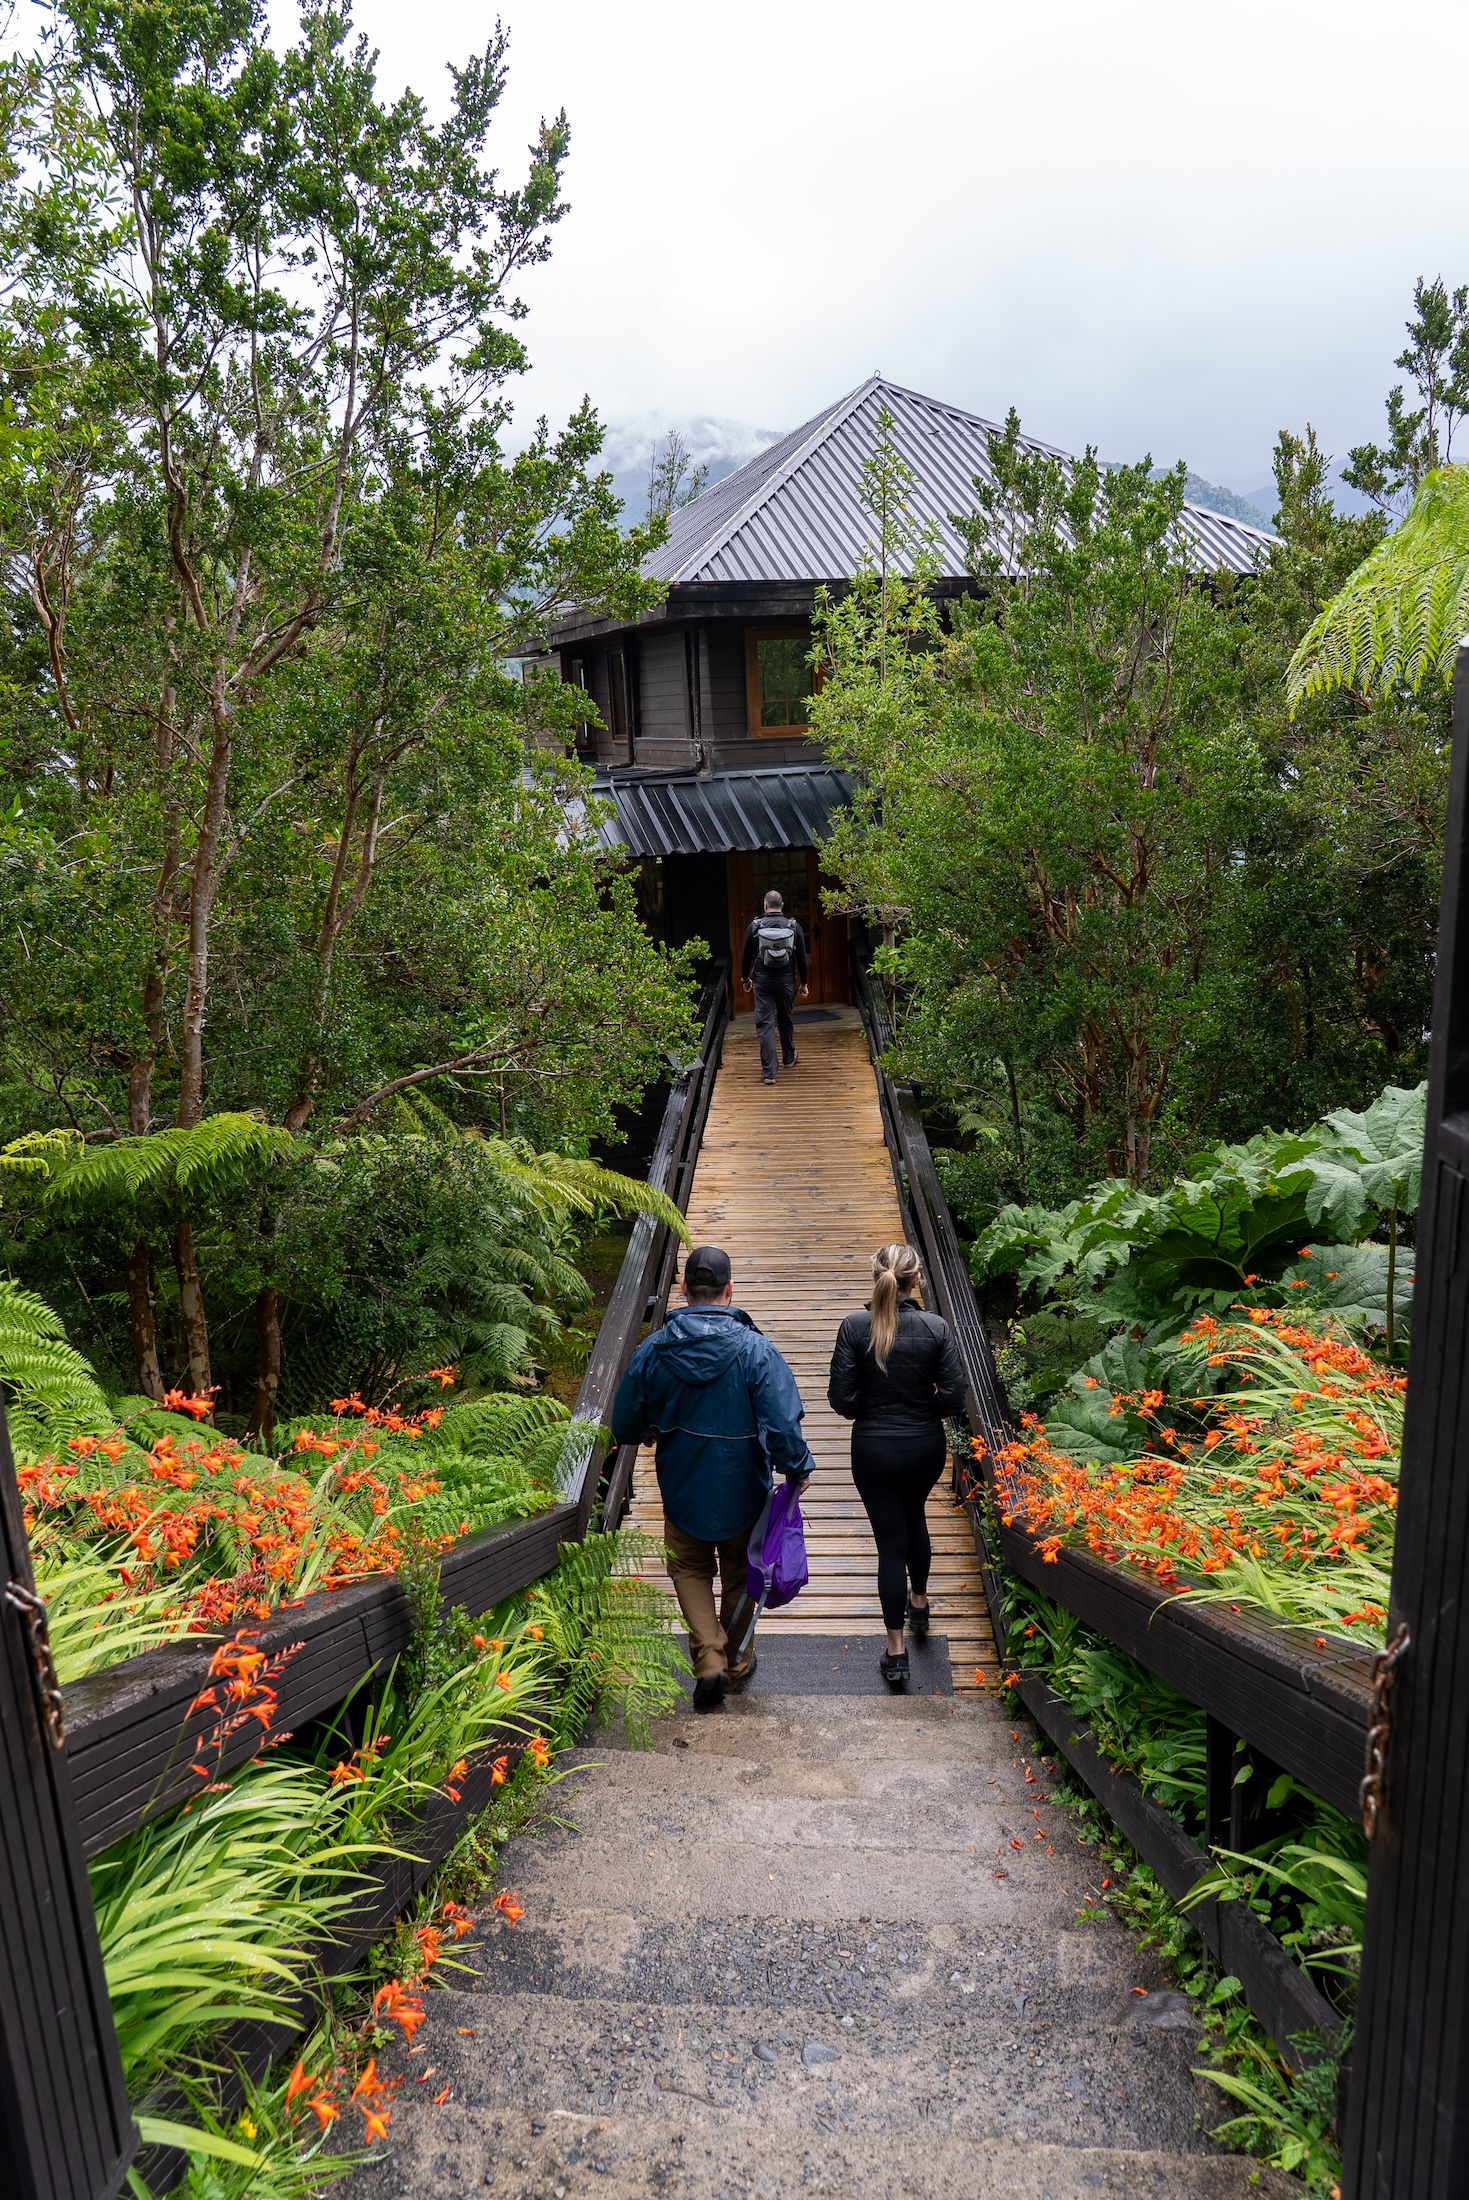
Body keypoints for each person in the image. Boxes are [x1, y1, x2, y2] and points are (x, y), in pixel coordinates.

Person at [612, 1243, 814, 1710]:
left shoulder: (655, 1348)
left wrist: (649, 1429)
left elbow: (624, 1422)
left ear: (683, 1289)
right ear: (729, 1291)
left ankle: (709, 1659)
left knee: (688, 1567)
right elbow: (783, 1422)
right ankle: (737, 1665)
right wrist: (797, 1467)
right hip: (744, 1488)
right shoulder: (755, 1350)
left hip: (682, 1486)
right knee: (743, 1575)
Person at [826, 1243, 966, 1690]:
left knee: (890, 1544)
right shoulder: (936, 1327)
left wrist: (871, 1406)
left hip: (873, 1448)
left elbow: (841, 1401)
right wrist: (923, 1405)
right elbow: (954, 1396)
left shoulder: (854, 1327)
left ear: (875, 1278)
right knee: (916, 1519)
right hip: (924, 1445)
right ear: (916, 1280)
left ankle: (896, 1652)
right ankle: (920, 1604)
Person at [740, 888, 809, 1085]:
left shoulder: (754, 926)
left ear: (765, 906)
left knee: (765, 1025)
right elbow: (802, 959)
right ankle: (789, 1058)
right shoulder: (793, 926)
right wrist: (803, 983)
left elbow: (746, 958)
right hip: (787, 982)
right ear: (782, 906)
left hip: (762, 982)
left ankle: (769, 1073)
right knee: (786, 1019)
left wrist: (745, 978)